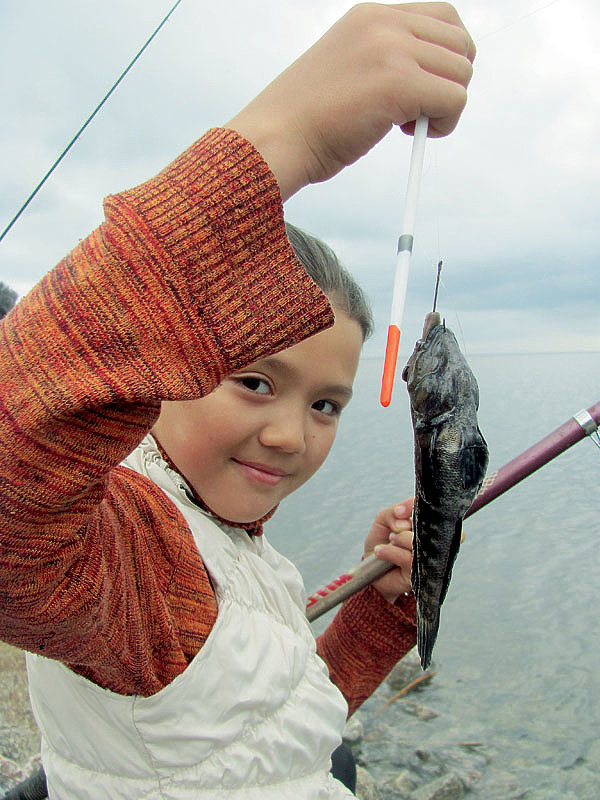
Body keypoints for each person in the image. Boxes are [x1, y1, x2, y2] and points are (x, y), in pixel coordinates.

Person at [0, 3, 475, 798]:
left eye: (327, 406)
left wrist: (381, 612)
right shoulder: (135, 555)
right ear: (163, 355)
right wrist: (288, 136)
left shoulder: (241, 552)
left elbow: (265, 732)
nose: (291, 434)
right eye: (255, 381)